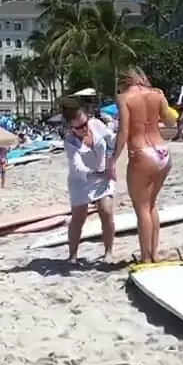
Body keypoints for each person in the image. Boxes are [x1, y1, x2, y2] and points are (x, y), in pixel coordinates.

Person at [115, 66, 177, 263]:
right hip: (162, 151)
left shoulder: (124, 98)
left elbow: (124, 132)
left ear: (124, 81)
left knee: (142, 208)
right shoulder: (157, 94)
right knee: (151, 206)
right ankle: (154, 253)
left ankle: (145, 258)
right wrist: (163, 100)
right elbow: (170, 122)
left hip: (142, 152)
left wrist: (113, 159)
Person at [61, 97, 118, 263]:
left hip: (103, 177)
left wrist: (122, 134)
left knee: (106, 211)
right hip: (81, 181)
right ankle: (72, 255)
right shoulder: (70, 141)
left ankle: (108, 252)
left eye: (85, 123)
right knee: (78, 218)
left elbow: (111, 139)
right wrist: (102, 173)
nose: (84, 128)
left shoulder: (96, 124)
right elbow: (78, 169)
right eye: (79, 127)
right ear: (71, 127)